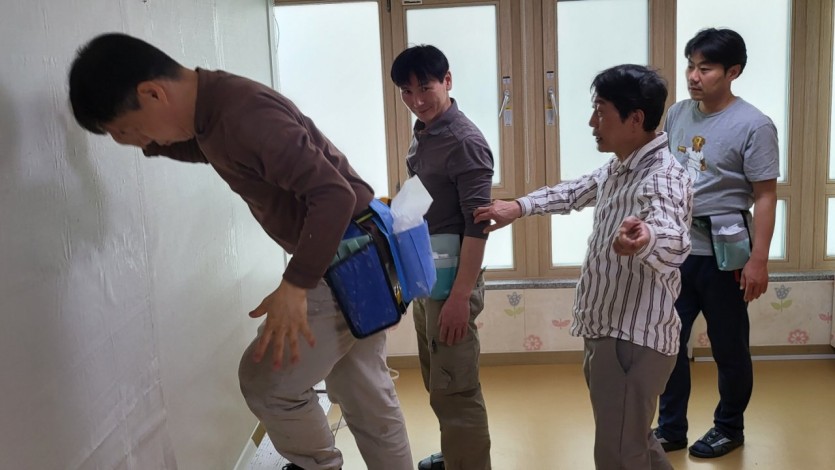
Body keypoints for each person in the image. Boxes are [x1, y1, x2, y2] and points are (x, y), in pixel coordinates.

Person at [68, 32, 413, 470]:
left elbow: (333, 195)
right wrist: (154, 142)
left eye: (125, 130)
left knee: (267, 383)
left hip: (344, 257)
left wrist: (295, 285)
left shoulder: (241, 115)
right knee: (364, 389)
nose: (127, 141)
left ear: (152, 93)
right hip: (362, 249)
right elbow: (218, 150)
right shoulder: (215, 114)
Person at [474, 64, 692, 470]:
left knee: (618, 453)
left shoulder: (660, 176)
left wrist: (646, 238)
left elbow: (675, 239)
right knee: (633, 438)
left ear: (635, 119)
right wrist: (518, 206)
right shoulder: (620, 166)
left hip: (632, 338)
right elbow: (574, 191)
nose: (593, 122)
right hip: (611, 330)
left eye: (601, 111)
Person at [654, 28, 779, 459]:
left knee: (729, 347)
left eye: (705, 68)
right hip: (675, 250)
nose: (693, 76)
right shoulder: (677, 113)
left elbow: (765, 195)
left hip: (726, 255)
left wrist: (758, 260)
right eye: (690, 66)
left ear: (732, 72)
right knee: (667, 342)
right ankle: (671, 428)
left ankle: (729, 427)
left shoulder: (754, 124)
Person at [390, 45, 493, 470]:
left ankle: (468, 463)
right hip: (429, 274)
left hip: (453, 283)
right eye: (406, 90)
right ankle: (456, 455)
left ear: (447, 81)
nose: (416, 100)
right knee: (438, 379)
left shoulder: (465, 142)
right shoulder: (426, 130)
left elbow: (478, 225)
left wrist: (459, 298)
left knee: (456, 388)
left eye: (425, 88)